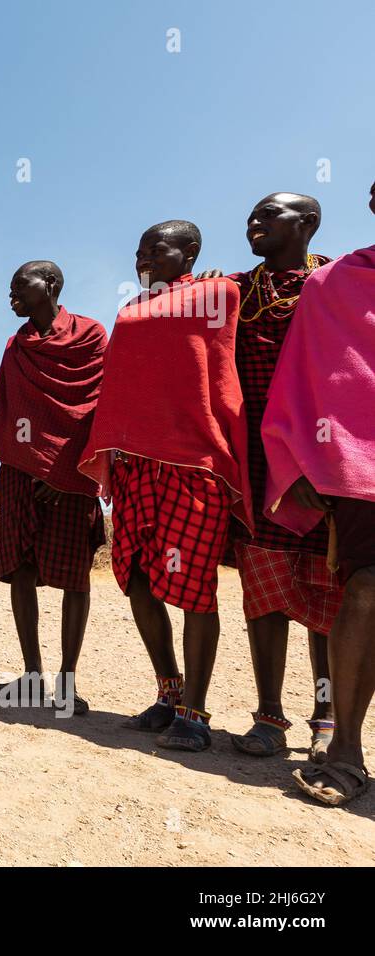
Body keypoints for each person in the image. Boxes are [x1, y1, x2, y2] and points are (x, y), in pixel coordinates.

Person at [79, 221, 250, 752]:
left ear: (191, 252)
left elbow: (220, 370)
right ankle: (168, 694)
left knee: (195, 587)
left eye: (155, 249)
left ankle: (195, 713)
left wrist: (223, 280)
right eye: (138, 251)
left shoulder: (219, 293)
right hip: (134, 465)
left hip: (193, 462)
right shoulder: (130, 310)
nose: (143, 259)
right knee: (136, 580)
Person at [0, 262, 107, 712]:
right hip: (19, 474)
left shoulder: (90, 334)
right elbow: (2, 408)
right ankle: (33, 674)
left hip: (71, 479)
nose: (10, 294)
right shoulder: (16, 346)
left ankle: (67, 681)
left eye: (19, 286)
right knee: (22, 572)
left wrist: (68, 471)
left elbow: (97, 407)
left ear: (50, 286)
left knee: (75, 578)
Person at [213, 194, 341, 760]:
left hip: (321, 456)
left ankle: (328, 714)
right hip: (258, 459)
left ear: (307, 224)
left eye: (269, 215)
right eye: (250, 217)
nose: (254, 224)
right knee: (263, 590)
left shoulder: (338, 283)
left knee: (325, 593)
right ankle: (269, 715)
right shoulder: (237, 290)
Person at [263, 181, 375, 806]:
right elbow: (305, 377)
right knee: (363, 590)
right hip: (363, 466)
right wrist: (305, 454)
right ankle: (346, 749)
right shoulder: (333, 284)